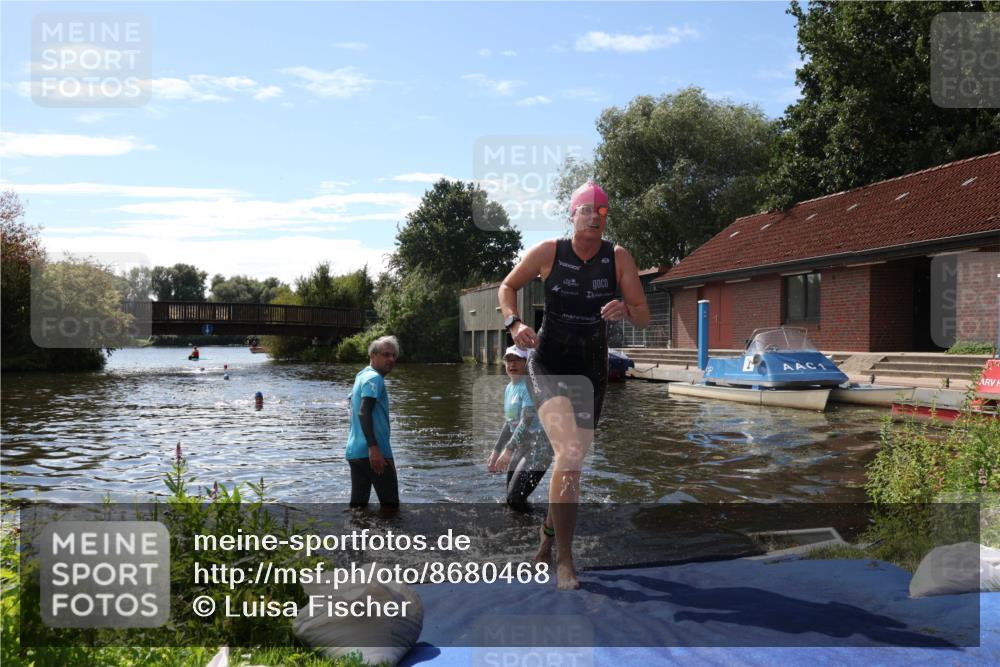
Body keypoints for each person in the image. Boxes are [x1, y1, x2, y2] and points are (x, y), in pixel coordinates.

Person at [498, 181, 649, 589]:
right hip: (548, 364)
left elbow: (643, 314)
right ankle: (566, 561)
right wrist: (514, 322)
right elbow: (507, 287)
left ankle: (547, 536)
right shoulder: (550, 252)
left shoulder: (617, 258)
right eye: (588, 211)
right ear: (573, 214)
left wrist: (626, 309)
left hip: (590, 370)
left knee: (572, 463)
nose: (595, 218)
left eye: (602, 213)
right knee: (567, 453)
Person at [486, 346, 555, 546]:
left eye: (517, 360)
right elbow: (510, 423)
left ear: (526, 364)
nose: (512, 364)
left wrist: (508, 450)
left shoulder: (528, 386)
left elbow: (526, 420)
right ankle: (523, 531)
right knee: (512, 497)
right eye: (508, 360)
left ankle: (542, 536)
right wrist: (496, 450)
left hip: (540, 449)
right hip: (522, 446)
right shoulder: (510, 388)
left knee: (515, 499)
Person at [346, 335, 401, 510]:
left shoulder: (362, 375)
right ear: (373, 356)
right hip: (375, 454)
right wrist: (374, 448)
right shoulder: (374, 378)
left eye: (393, 355)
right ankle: (393, 538)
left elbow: (353, 405)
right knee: (391, 509)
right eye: (386, 355)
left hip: (355, 453)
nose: (391, 359)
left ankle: (356, 537)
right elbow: (363, 411)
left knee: (358, 509)